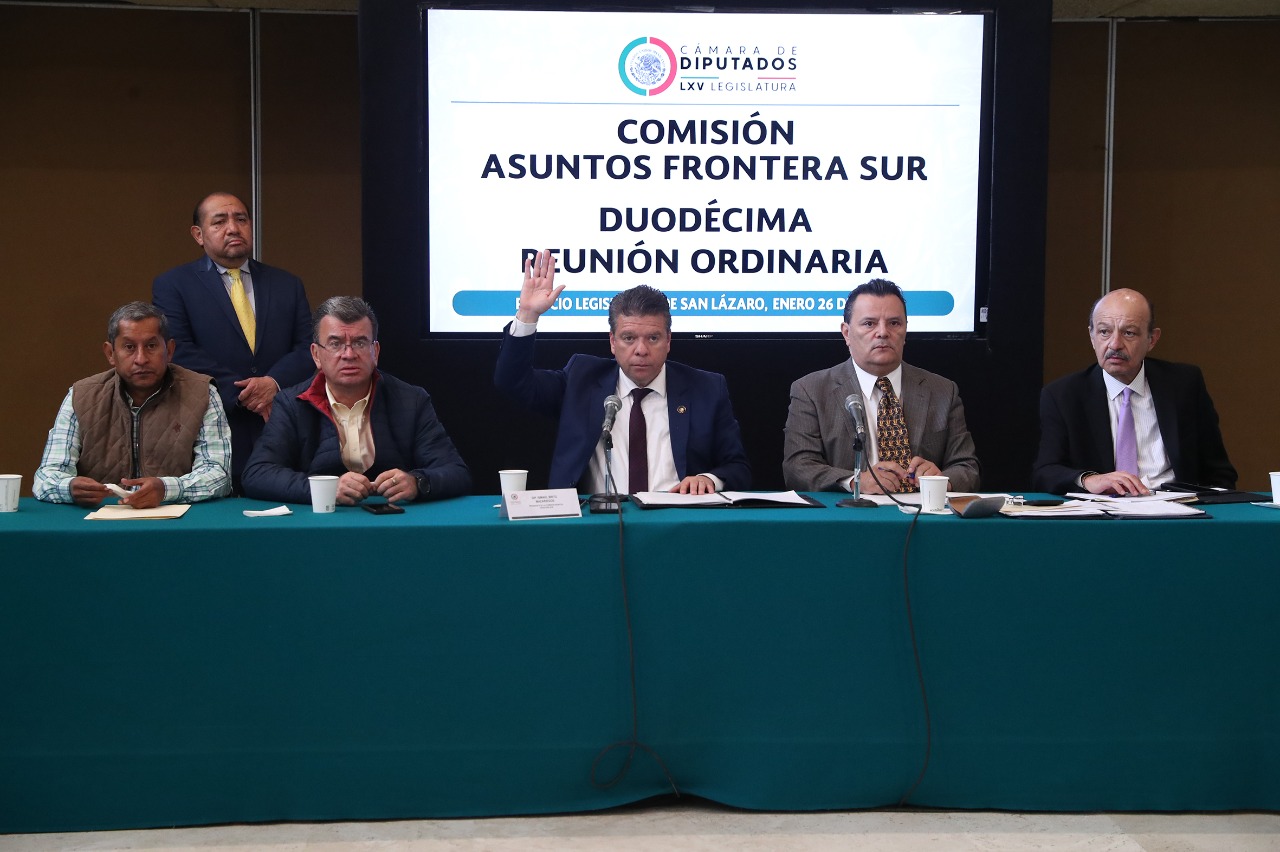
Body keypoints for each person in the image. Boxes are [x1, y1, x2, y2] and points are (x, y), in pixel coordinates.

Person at [493, 250, 751, 494]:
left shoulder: (706, 388)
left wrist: (709, 479)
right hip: (596, 519)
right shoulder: (581, 379)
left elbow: (738, 468)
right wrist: (527, 314)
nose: (641, 350)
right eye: (629, 338)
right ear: (613, 342)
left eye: (653, 338)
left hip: (676, 517)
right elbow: (512, 381)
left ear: (668, 341)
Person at [152, 192, 314, 489]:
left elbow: (309, 348)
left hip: (280, 423)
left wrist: (273, 383)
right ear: (198, 234)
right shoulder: (174, 285)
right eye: (219, 222)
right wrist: (244, 393)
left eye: (241, 219)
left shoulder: (287, 284)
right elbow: (179, 350)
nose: (233, 228)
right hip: (214, 426)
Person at [241, 296, 471, 505]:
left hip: (394, 523)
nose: (349, 354)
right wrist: (326, 489)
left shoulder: (411, 400)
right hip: (321, 524)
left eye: (360, 343)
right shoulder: (291, 404)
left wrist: (417, 482)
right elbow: (257, 474)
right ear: (316, 355)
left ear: (375, 352)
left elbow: (456, 472)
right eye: (335, 344)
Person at [1032, 287, 1235, 496]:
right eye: (1104, 332)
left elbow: (1219, 472)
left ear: (1152, 339)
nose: (1115, 344)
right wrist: (1089, 480)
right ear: (1092, 337)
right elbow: (1045, 472)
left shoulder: (1184, 385)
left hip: (1175, 507)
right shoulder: (1063, 395)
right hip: (1104, 509)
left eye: (1128, 333)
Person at [783, 278, 980, 494]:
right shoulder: (811, 391)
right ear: (847, 333)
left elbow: (967, 469)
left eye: (894, 323)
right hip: (852, 511)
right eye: (869, 323)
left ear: (905, 331)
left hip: (923, 510)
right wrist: (855, 481)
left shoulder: (942, 391)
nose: (883, 332)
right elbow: (797, 468)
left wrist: (942, 480)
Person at [34, 302, 232, 508]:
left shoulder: (202, 392)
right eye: (129, 347)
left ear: (170, 350)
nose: (141, 359)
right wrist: (69, 488)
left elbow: (218, 475)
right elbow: (46, 477)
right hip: (101, 519)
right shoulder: (82, 395)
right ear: (110, 353)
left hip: (176, 519)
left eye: (151, 346)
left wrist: (167, 490)